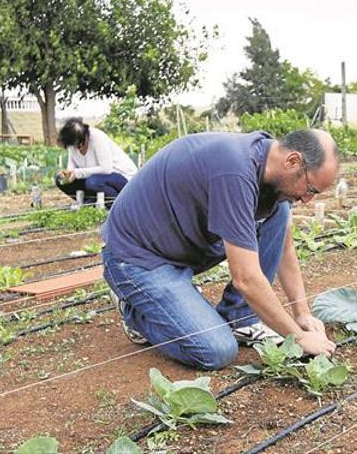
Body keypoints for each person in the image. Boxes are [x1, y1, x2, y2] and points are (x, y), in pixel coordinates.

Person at [101, 129, 338, 370]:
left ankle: (240, 317)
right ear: (293, 161)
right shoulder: (234, 171)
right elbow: (245, 279)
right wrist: (298, 338)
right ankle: (137, 310)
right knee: (216, 350)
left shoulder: (268, 167)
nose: (307, 199)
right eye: (310, 189)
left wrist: (303, 313)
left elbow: (284, 248)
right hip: (137, 259)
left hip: (181, 249)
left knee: (279, 212)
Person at [55, 117, 137, 205]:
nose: (74, 149)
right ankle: (90, 202)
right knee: (60, 180)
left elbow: (106, 169)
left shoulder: (97, 138)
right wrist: (68, 174)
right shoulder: (73, 142)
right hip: (96, 178)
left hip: (122, 178)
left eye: (76, 146)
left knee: (93, 182)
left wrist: (77, 173)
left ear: (82, 141)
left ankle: (118, 205)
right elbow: (72, 163)